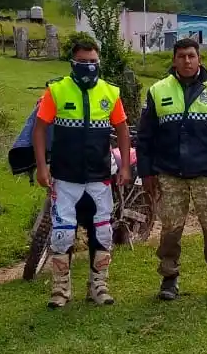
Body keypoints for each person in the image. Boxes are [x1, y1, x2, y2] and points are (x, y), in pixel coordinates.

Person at [139, 37, 207, 302]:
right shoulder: (158, 91)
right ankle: (169, 280)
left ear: (199, 59)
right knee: (170, 231)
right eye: (182, 56)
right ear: (174, 60)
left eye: (192, 56)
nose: (187, 61)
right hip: (169, 174)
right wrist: (147, 173)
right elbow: (145, 138)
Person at [32, 39, 132, 308]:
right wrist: (42, 167)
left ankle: (98, 286)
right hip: (65, 177)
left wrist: (124, 167)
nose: (89, 66)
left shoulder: (110, 92)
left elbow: (122, 130)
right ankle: (60, 290)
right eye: (83, 61)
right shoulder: (57, 91)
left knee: (103, 232)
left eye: (93, 61)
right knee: (63, 234)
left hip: (100, 177)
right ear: (73, 62)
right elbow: (39, 129)